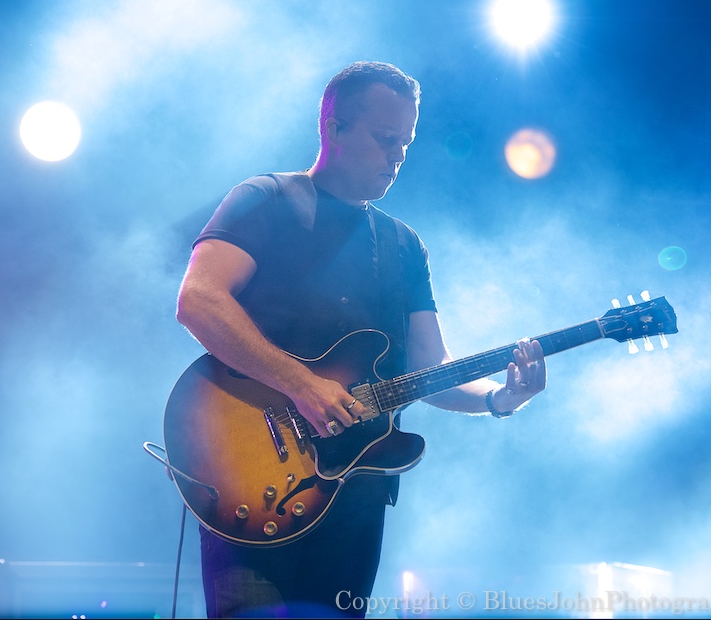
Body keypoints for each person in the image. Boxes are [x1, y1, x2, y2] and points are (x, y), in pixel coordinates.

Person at [175, 60, 547, 618]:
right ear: (335, 127)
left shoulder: (403, 245)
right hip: (250, 477)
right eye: (385, 139)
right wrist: (302, 384)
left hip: (355, 497)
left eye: (406, 143)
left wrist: (501, 398)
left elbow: (430, 367)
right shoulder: (266, 199)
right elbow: (198, 300)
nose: (397, 156)